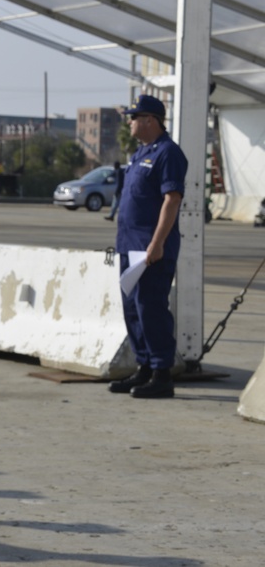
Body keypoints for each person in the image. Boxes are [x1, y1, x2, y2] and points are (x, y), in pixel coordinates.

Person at [108, 94, 188, 399]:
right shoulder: (141, 153)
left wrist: (157, 243)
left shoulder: (168, 153)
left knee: (151, 308)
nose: (129, 121)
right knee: (133, 309)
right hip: (130, 246)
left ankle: (161, 373)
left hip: (150, 249)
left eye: (133, 117)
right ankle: (143, 367)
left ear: (149, 120)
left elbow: (172, 199)